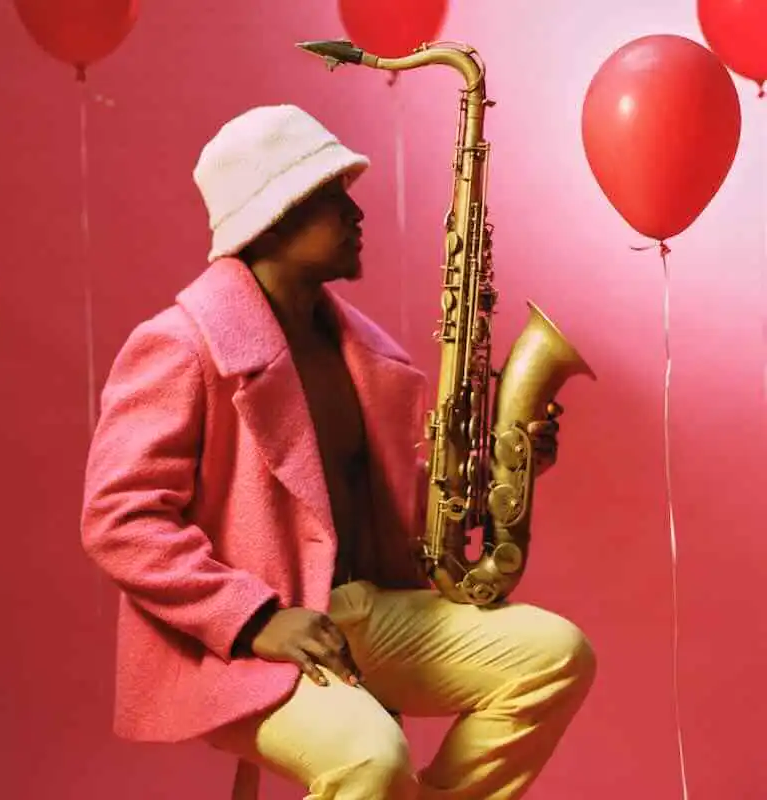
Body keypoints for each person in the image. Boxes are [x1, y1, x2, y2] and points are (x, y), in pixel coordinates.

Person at [80, 104, 596, 800]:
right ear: (273, 218)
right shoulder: (179, 346)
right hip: (243, 634)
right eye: (332, 197)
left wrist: (507, 465)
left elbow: (368, 496)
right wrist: (255, 619)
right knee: (370, 759)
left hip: (359, 608)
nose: (357, 214)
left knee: (556, 657)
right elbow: (119, 521)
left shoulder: (355, 350)